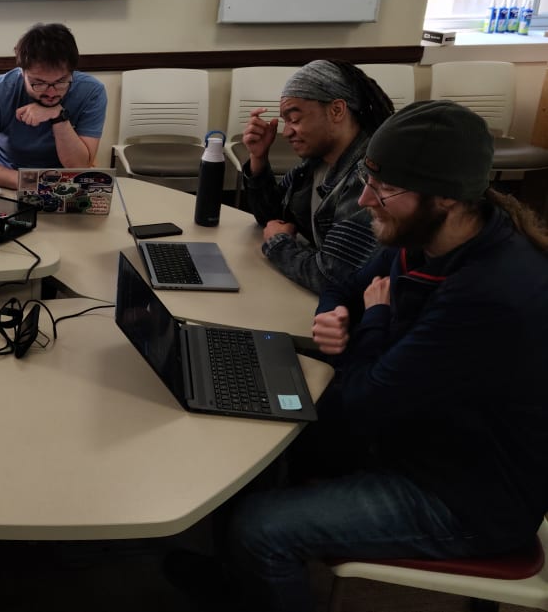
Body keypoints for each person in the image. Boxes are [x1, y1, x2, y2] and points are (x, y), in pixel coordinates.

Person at [226, 100, 548, 612]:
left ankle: (255, 571)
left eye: (385, 187)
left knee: (259, 527)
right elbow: (345, 285)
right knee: (250, 455)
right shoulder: (425, 236)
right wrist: (336, 317)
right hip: (420, 439)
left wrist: (372, 322)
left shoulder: (491, 293)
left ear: (445, 196)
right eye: (368, 179)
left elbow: (360, 405)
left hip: (464, 498)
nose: (365, 198)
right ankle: (241, 586)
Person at [240, 59, 394, 293]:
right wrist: (259, 159)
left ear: (336, 110)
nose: (286, 132)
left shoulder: (366, 180)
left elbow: (330, 276)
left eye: (295, 119)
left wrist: (278, 244)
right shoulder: (315, 164)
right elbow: (271, 217)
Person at [0, 22, 107, 189]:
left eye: (60, 82)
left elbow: (80, 167)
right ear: (22, 72)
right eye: (39, 83)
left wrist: (58, 117)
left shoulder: (91, 91)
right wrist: (35, 183)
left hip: (66, 186)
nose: (51, 93)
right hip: (10, 183)